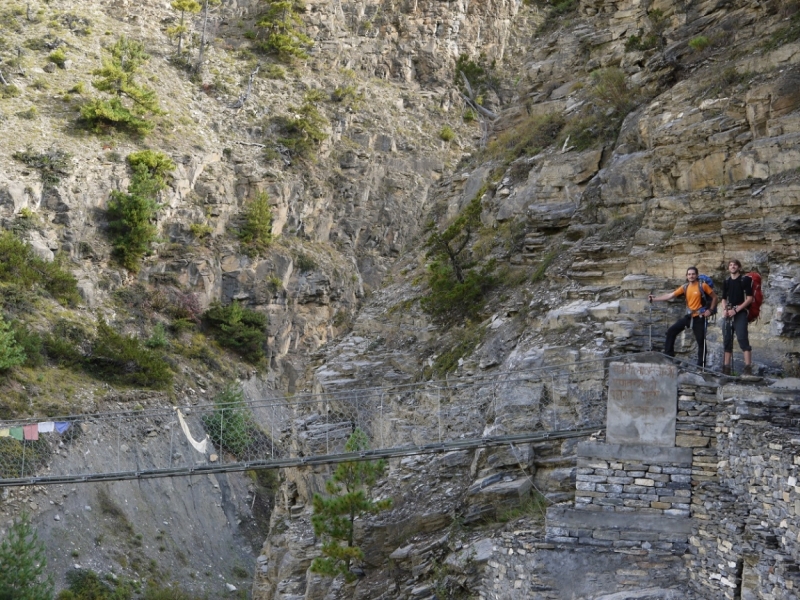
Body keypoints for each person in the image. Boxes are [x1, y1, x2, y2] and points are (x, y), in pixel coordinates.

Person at [648, 267, 718, 367]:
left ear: (697, 275)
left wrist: (710, 310)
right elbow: (670, 295)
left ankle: (701, 367)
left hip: (700, 317)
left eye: (693, 274)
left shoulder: (703, 285)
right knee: (671, 331)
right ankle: (669, 357)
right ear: (686, 276)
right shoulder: (685, 287)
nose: (691, 276)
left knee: (701, 341)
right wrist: (655, 299)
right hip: (689, 316)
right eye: (689, 274)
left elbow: (715, 297)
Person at [719, 259, 753, 375]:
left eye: (735, 265)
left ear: (739, 267)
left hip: (741, 312)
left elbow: (749, 298)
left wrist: (736, 310)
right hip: (728, 313)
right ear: (729, 268)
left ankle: (748, 369)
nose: (732, 267)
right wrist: (725, 309)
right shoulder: (726, 282)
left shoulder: (745, 280)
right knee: (727, 340)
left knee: (743, 339)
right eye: (731, 265)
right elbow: (723, 299)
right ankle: (726, 369)